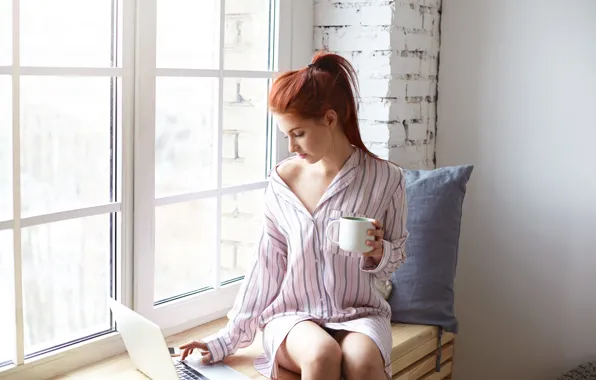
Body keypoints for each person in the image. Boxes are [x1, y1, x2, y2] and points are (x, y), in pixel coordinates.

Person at [178, 51, 408, 380]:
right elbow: (265, 267)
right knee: (321, 355)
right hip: (293, 316)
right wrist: (225, 341)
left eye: (297, 133)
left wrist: (378, 251)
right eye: (287, 134)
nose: (291, 146)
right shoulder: (283, 182)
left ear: (330, 119)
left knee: (363, 364)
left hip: (360, 312)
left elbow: (397, 256)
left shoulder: (386, 179)